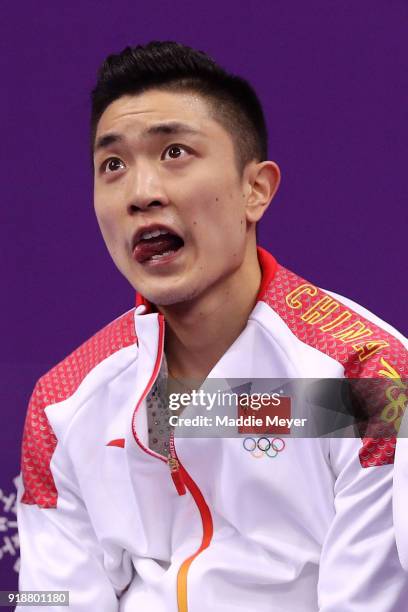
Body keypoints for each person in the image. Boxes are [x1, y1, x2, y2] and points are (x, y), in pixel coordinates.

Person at [17, 41, 408, 611]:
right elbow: (51, 600)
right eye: (113, 165)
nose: (141, 193)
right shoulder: (63, 402)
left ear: (256, 190)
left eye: (174, 152)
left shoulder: (369, 380)